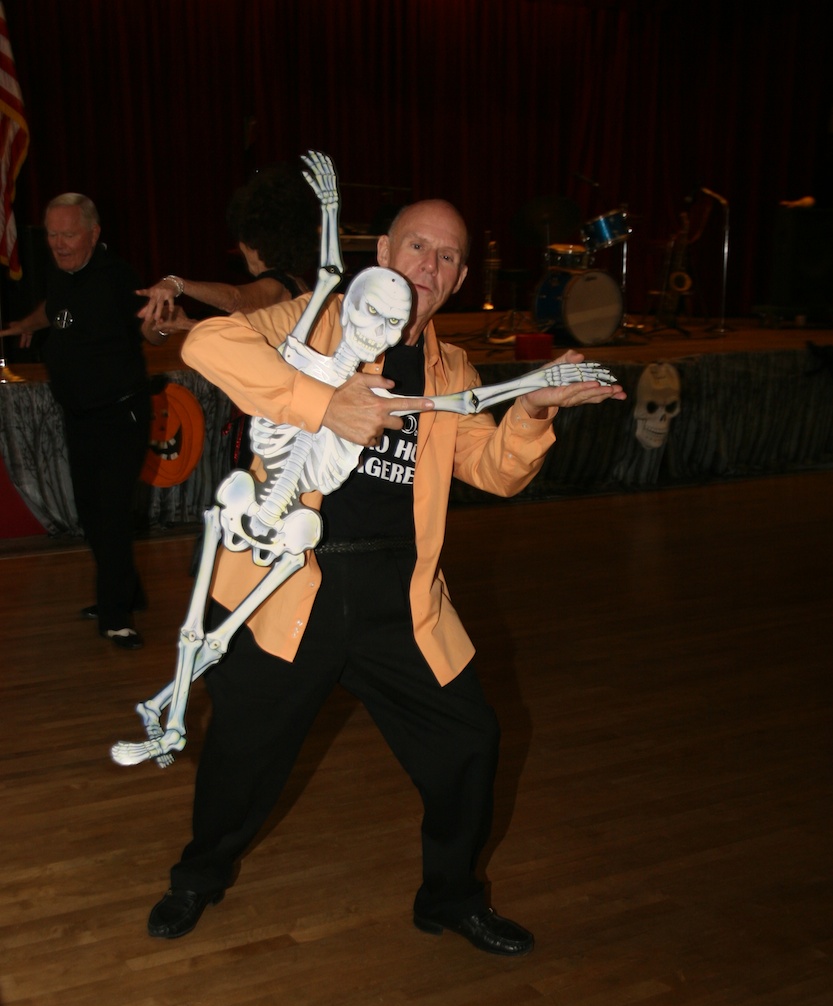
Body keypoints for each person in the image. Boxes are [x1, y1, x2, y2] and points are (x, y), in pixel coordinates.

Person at [146, 198, 626, 952]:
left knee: (469, 742)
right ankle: (197, 877)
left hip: (397, 599)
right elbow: (206, 344)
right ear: (383, 253)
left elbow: (492, 472)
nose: (425, 266)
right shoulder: (311, 320)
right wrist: (321, 403)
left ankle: (451, 896)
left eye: (444, 257)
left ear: (459, 278)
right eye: (415, 247)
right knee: (239, 761)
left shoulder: (452, 369)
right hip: (285, 587)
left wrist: (531, 410)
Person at [0, 194, 169, 649]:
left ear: (93, 234)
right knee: (93, 515)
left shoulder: (118, 278)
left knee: (111, 514)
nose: (58, 244)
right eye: (52, 235)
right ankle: (127, 591)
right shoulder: (61, 274)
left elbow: (148, 327)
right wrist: (27, 323)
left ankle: (118, 616)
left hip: (120, 414)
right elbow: (55, 308)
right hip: (80, 416)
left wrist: (160, 324)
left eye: (68, 234)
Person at [136, 163, 318, 469]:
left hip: (276, 422)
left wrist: (178, 284)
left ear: (252, 244)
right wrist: (186, 324)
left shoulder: (276, 286)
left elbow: (237, 300)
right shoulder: (298, 285)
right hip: (288, 412)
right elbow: (259, 340)